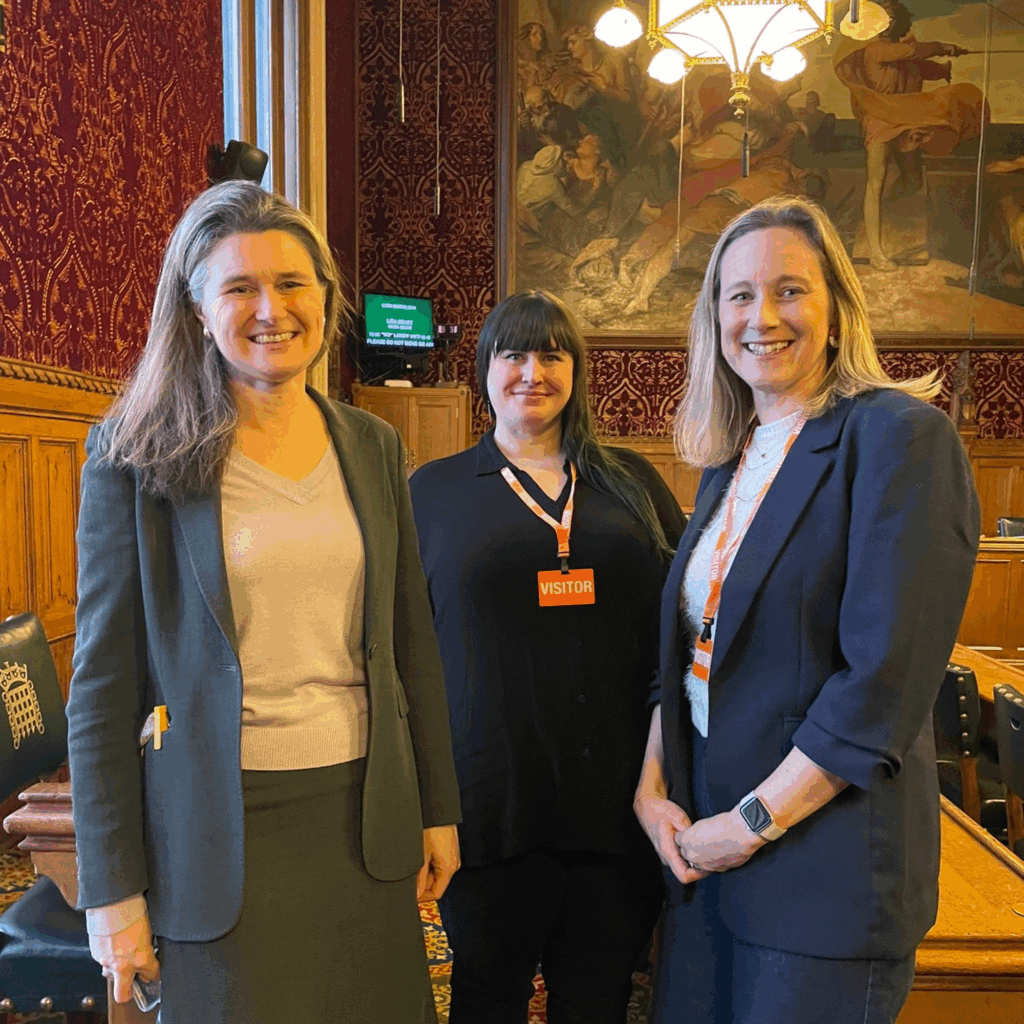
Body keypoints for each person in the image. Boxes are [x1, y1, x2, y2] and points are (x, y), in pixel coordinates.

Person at [66, 180, 461, 1024]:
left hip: (366, 819)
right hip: (216, 834)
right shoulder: (134, 456)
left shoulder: (374, 444)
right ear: (198, 311)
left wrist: (437, 808)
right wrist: (111, 893)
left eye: (291, 283)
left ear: (326, 297)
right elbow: (100, 691)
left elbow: (410, 644)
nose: (270, 309)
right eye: (239, 287)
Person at [634, 197, 979, 1024]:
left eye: (790, 290)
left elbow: (880, 686)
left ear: (836, 312)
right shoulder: (733, 459)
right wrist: (650, 788)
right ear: (714, 316)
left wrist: (747, 825)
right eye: (739, 295)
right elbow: (691, 654)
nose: (762, 316)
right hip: (706, 861)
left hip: (822, 875)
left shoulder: (898, 438)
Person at [409, 290, 686, 1024]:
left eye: (551, 355)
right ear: (484, 370)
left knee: (598, 997)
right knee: (486, 994)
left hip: (621, 800)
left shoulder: (633, 484)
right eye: (513, 354)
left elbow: (685, 621)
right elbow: (403, 649)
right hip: (487, 803)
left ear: (576, 372)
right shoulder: (431, 494)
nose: (532, 372)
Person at [834, 0, 982, 270]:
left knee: (913, 180)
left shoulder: (903, 56)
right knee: (875, 181)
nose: (888, 22)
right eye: (883, 17)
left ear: (899, 21)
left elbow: (925, 68)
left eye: (892, 17)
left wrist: (947, 64)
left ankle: (882, 210)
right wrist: (942, 47)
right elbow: (913, 52)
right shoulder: (876, 50)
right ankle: (877, 252)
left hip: (905, 119)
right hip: (880, 117)